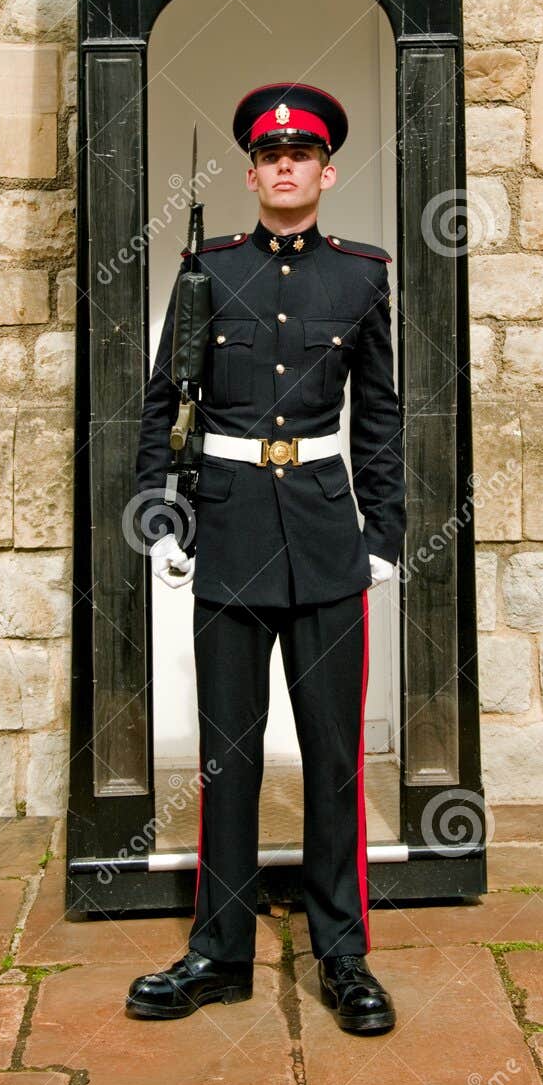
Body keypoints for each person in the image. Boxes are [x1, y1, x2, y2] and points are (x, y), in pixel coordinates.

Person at [125, 82, 406, 1035]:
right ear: (251, 173)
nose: (286, 166)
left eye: (303, 155)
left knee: (333, 762)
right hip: (230, 530)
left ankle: (344, 957)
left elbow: (379, 417)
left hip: (327, 539)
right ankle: (219, 950)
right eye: (270, 156)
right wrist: (160, 512)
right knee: (227, 758)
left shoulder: (362, 278)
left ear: (326, 172)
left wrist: (385, 534)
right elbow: (162, 403)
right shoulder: (206, 271)